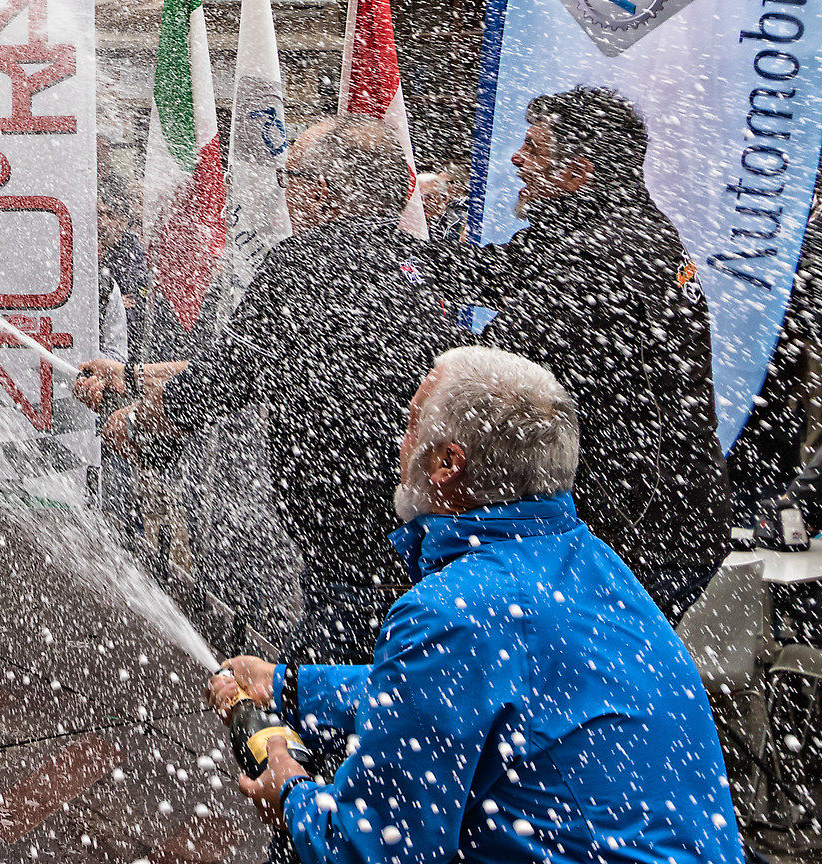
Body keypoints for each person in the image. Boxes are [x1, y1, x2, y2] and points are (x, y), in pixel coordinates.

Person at [209, 346, 741, 863]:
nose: (399, 444)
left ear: (447, 463)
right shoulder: (587, 560)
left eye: (411, 425)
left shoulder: (454, 611)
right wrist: (291, 687)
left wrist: (290, 793)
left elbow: (371, 848)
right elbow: (459, 696)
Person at [78, 118, 453, 664]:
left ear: (322, 192)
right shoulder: (424, 268)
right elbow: (266, 364)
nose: (283, 191)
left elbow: (227, 377)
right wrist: (133, 376)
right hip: (421, 534)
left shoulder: (305, 263)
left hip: (352, 553)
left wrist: (142, 426)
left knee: (325, 687)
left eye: (288, 176)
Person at [435, 86, 728, 619]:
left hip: (641, 529)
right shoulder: (595, 227)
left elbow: (492, 369)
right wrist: (393, 252)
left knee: (580, 664)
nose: (516, 159)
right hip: (650, 512)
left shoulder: (608, 254)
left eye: (533, 148)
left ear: (577, 173)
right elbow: (492, 271)